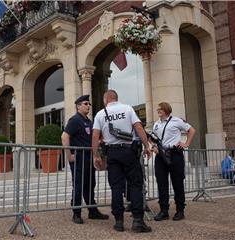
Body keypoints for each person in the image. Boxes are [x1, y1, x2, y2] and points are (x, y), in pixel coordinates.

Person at [92, 90, 152, 233]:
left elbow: (95, 136)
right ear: (117, 98)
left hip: (112, 153)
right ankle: (138, 221)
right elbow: (138, 127)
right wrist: (146, 146)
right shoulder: (127, 108)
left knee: (116, 187)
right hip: (128, 151)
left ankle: (119, 221)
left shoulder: (101, 114)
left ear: (105, 100)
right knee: (135, 185)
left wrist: (96, 155)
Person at [61, 94, 109, 224]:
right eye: (85, 104)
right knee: (79, 185)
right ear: (78, 106)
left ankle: (92, 211)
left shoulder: (89, 121)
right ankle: (76, 213)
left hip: (88, 158)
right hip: (79, 158)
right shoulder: (75, 120)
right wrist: (69, 155)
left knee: (90, 185)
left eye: (89, 104)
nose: (88, 106)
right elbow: (64, 136)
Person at [151, 102, 195, 221]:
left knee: (177, 183)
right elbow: (153, 139)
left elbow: (191, 130)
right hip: (160, 156)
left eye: (160, 109)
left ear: (166, 110)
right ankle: (164, 211)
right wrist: (153, 147)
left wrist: (186, 144)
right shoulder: (156, 124)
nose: (158, 110)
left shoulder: (177, 121)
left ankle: (180, 210)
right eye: (158, 109)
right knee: (161, 184)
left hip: (175, 154)